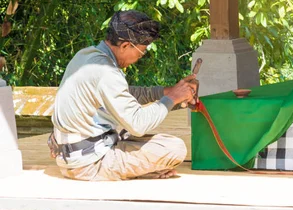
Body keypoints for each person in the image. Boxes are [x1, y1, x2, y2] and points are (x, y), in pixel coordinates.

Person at [49, 10, 198, 181]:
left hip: (76, 154)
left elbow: (123, 94)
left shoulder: (86, 56)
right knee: (174, 148)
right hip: (90, 164)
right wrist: (172, 99)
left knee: (162, 142)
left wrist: (167, 92)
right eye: (141, 52)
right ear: (126, 45)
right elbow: (138, 124)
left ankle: (141, 169)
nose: (140, 57)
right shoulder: (107, 72)